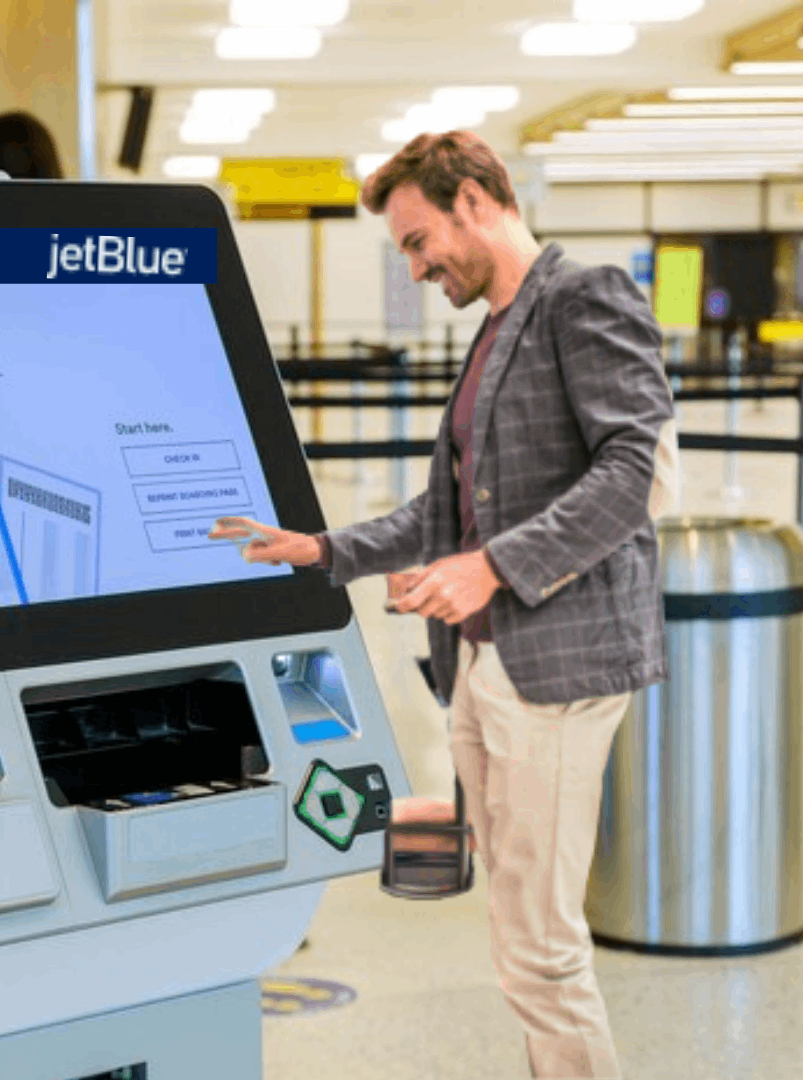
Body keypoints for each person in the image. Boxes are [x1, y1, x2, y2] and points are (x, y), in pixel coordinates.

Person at [212, 131, 678, 1080]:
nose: (418, 267)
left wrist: (492, 569)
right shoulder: (497, 328)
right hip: (484, 660)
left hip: (557, 664)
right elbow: (448, 511)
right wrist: (325, 551)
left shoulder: (582, 298)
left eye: (420, 242)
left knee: (541, 946)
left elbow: (639, 473)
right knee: (519, 926)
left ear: (473, 200)